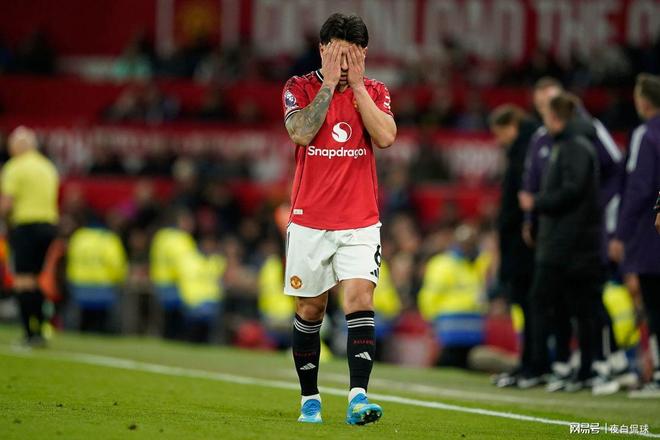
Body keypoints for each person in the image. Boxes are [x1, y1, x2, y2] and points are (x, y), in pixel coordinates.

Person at [281, 13, 396, 425]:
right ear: (322, 50)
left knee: (360, 299)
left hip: (360, 220)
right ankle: (310, 399)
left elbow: (386, 137)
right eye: (337, 55)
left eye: (353, 55)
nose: (344, 64)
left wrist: (358, 88)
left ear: (364, 53)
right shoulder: (298, 87)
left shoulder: (376, 91)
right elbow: (300, 133)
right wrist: (329, 86)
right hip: (309, 220)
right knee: (311, 308)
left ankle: (358, 398)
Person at [518, 93, 617, 393]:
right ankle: (580, 368)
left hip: (569, 243)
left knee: (562, 303)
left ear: (555, 117)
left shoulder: (575, 146)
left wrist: (537, 203)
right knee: (575, 306)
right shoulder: (571, 144)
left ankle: (571, 367)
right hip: (568, 241)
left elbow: (572, 191)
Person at [609, 73, 660, 398]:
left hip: (650, 233)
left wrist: (620, 233)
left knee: (654, 305)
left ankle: (658, 375)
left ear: (643, 100)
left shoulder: (645, 134)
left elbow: (639, 188)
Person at [488, 105, 538, 387]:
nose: (498, 140)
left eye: (499, 133)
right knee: (525, 306)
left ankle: (533, 364)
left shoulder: (524, 152)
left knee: (529, 305)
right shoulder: (524, 150)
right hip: (518, 243)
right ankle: (528, 362)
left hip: (522, 246)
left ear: (511, 126)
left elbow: (518, 201)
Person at [1, 126, 59, 346]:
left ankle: (30, 333)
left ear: (17, 146)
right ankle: (41, 329)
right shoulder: (48, 166)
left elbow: (7, 204)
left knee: (23, 280)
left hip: (26, 226)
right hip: (49, 226)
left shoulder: (15, 167)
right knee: (37, 279)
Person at [418, 224, 492, 368]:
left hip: (473, 333)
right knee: (446, 367)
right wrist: (431, 322)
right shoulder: (443, 264)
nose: (470, 248)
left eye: (473, 244)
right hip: (449, 333)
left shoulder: (475, 266)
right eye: (467, 244)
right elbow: (429, 297)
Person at [66, 221, 127, 333]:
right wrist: (119, 279)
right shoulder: (108, 239)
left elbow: (70, 258)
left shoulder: (79, 237)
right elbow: (116, 263)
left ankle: (80, 330)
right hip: (103, 285)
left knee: (83, 316)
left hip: (79, 284)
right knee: (102, 318)